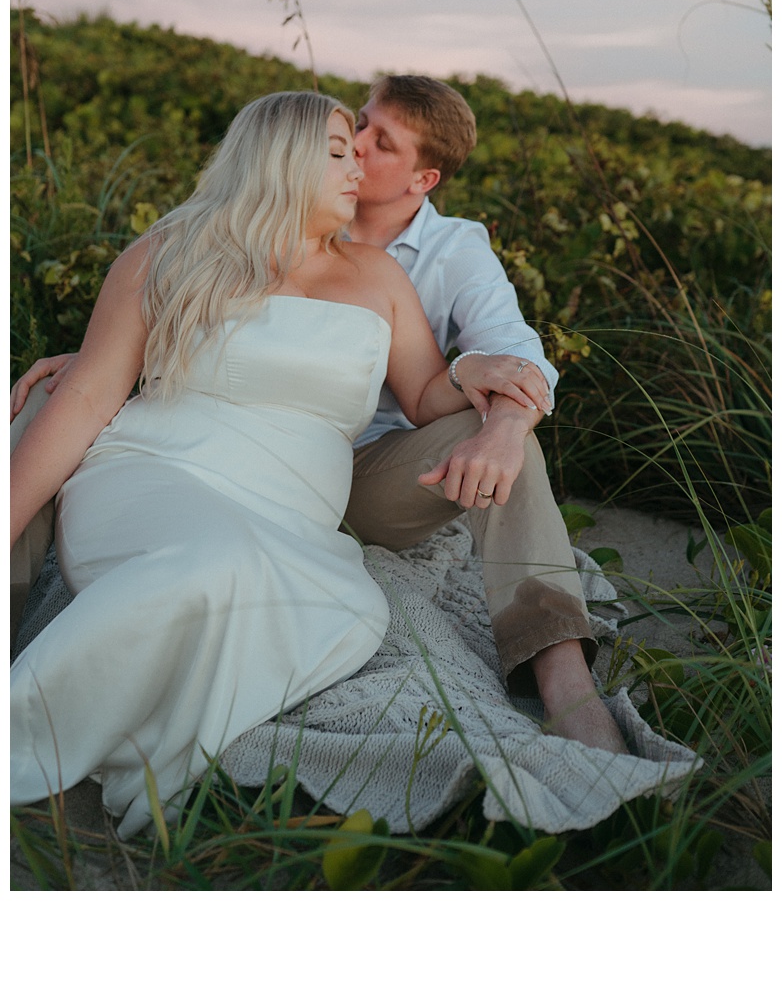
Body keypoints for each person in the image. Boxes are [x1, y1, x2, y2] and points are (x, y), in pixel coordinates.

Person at [11, 76, 628, 759]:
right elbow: (101, 388)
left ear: (423, 178)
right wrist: (113, 351)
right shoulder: (174, 250)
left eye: (378, 142)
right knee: (55, 406)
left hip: (357, 479)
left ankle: (563, 678)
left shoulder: (432, 258)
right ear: (285, 157)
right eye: (350, 135)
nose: (359, 152)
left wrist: (496, 408)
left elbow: (479, 367)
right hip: (181, 467)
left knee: (499, 453)